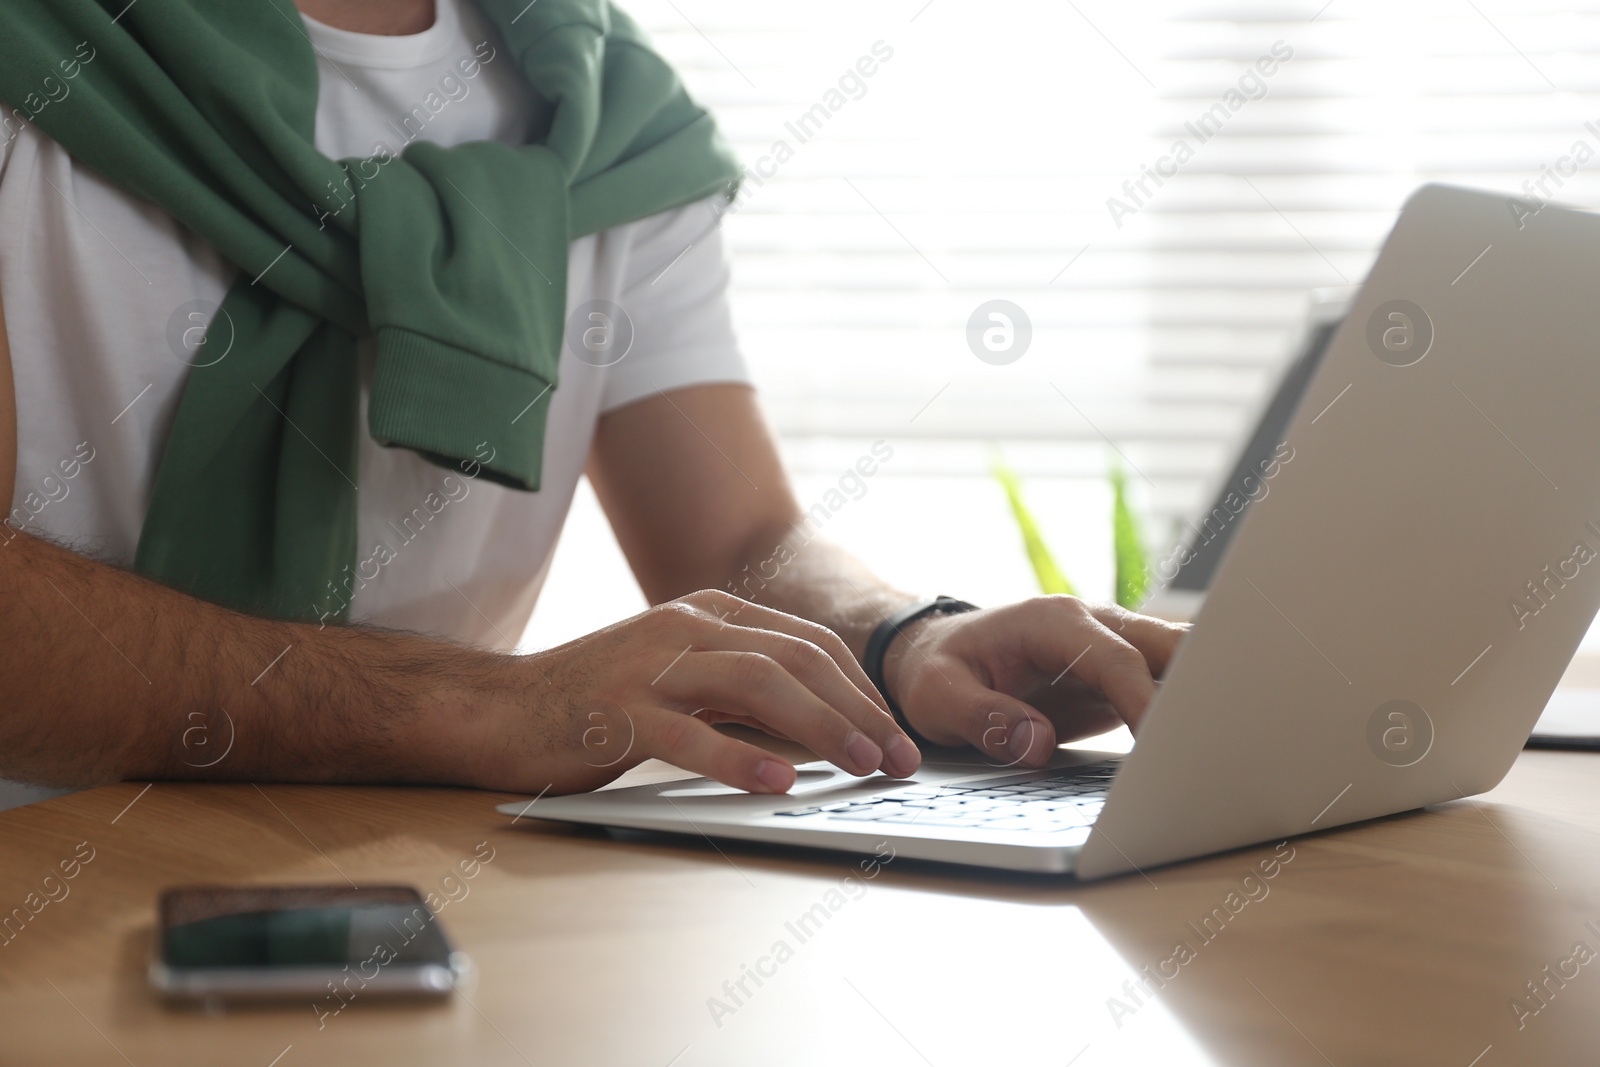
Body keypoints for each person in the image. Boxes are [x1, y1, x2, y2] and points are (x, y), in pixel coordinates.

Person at [0, 0, 1184, 808]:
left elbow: (736, 542)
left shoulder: (604, 109)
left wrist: (904, 636)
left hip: (412, 888)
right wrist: (472, 706)